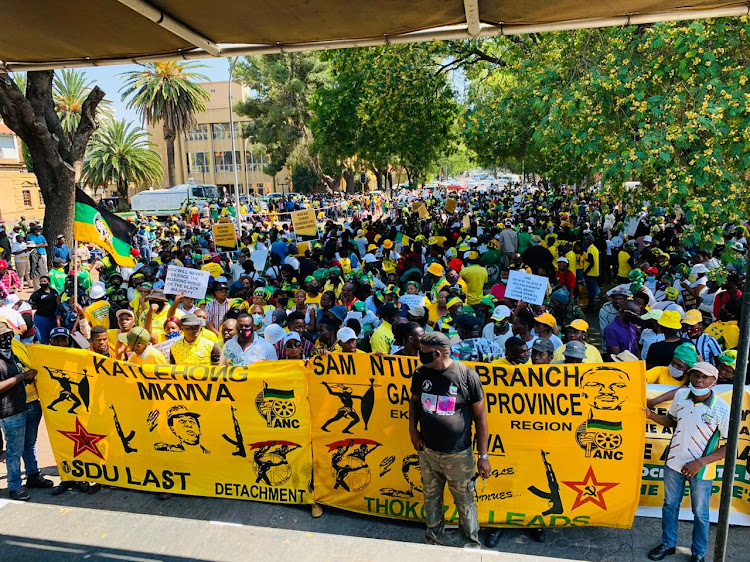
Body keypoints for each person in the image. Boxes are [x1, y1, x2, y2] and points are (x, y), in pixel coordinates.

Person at [409, 332, 489, 548]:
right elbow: (414, 402)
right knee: (431, 499)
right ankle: (433, 540)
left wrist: (483, 456)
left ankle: (470, 545)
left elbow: (481, 419)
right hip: (428, 452)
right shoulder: (420, 373)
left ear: (437, 353)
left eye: (423, 352)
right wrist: (413, 431)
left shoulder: (466, 376)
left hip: (458, 456)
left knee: (465, 502)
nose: (419, 356)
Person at [644, 362, 729, 562]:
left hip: (702, 470)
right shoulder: (681, 396)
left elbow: (730, 446)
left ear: (714, 381)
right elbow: (673, 421)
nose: (699, 380)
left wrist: (700, 463)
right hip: (674, 462)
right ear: (689, 376)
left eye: (704, 377)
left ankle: (698, 553)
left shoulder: (722, 409)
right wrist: (651, 415)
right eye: (695, 375)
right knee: (670, 505)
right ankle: (668, 544)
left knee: (700, 513)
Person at [0, 320, 40, 500]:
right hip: (10, 410)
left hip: (28, 403)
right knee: (14, 450)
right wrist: (22, 376)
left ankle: (33, 475)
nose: (6, 339)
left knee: (29, 444)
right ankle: (14, 486)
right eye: (2, 336)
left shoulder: (14, 352)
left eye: (8, 335)